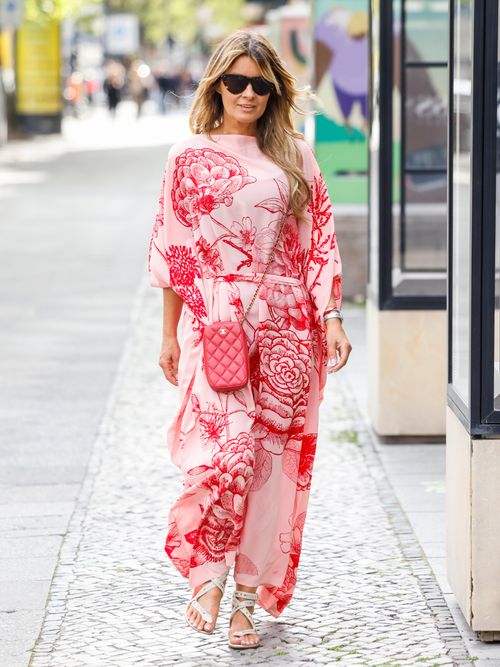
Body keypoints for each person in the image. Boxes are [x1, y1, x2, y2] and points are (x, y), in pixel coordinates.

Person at [147, 29, 352, 650]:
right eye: (236, 81)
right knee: (223, 457)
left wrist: (332, 316)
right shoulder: (189, 156)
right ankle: (206, 575)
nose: (249, 93)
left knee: (270, 468)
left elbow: (319, 241)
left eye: (261, 84)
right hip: (217, 328)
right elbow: (173, 251)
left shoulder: (296, 155)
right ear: (216, 84)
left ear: (275, 92)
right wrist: (169, 336)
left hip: (288, 331)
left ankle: (242, 602)